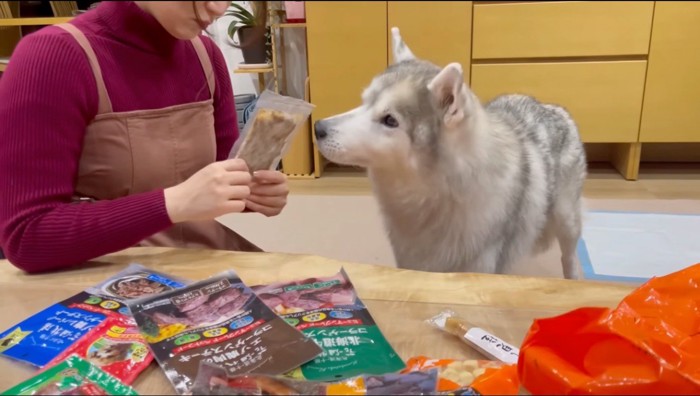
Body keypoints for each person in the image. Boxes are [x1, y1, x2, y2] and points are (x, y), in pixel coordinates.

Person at [0, 1, 288, 273]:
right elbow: (27, 236)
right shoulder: (53, 57)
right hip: (103, 284)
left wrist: (251, 194)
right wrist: (172, 204)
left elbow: (219, 175)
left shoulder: (205, 55)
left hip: (197, 265)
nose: (217, 8)